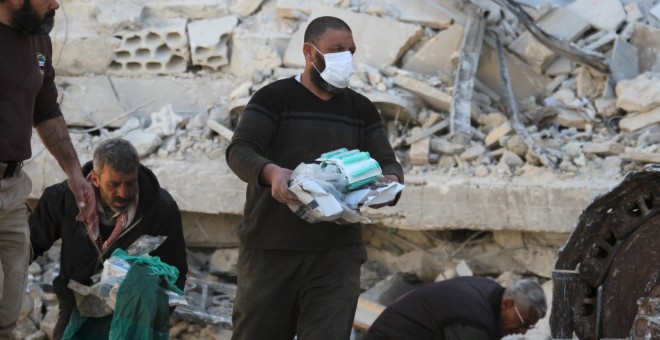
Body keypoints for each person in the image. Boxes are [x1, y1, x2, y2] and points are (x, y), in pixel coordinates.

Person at [226, 15, 404, 340]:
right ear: (310, 53)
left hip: (336, 257)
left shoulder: (361, 110)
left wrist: (387, 185)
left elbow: (388, 163)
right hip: (270, 252)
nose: (346, 58)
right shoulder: (273, 99)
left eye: (350, 50)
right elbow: (239, 151)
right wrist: (272, 173)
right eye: (336, 49)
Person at [0, 0, 96, 337]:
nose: (56, 4)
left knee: (8, 310)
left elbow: (46, 108)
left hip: (12, 190)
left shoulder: (39, 43)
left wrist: (73, 172)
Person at [29, 138, 188, 340]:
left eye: (130, 183)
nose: (123, 192)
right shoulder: (64, 198)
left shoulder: (161, 209)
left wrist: (150, 313)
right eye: (114, 184)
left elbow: (175, 271)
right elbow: (30, 243)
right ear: (95, 179)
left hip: (131, 314)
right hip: (77, 305)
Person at [364, 277, 547, 340]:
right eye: (523, 322)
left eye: (529, 327)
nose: (522, 331)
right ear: (507, 304)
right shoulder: (474, 321)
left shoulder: (489, 292)